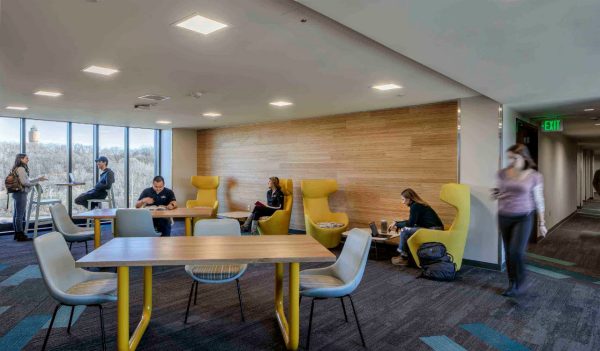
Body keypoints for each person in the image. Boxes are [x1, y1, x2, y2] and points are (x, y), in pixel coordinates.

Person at [493, 143, 547, 297]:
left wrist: (542, 223)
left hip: (524, 217)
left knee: (516, 251)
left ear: (524, 157)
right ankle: (512, 284)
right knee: (509, 252)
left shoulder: (535, 176)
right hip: (504, 216)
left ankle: (521, 278)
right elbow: (500, 190)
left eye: (514, 158)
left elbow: (539, 200)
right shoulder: (502, 173)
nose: (511, 161)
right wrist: (496, 193)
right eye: (510, 158)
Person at [389, 188, 444, 266]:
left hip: (434, 230)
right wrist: (397, 223)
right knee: (407, 229)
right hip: (435, 228)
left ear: (409, 199)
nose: (402, 202)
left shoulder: (415, 206)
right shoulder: (418, 205)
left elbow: (410, 224)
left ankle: (403, 258)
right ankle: (406, 257)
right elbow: (411, 222)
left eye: (403, 199)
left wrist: (397, 224)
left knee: (404, 230)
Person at [10, 153, 47, 241]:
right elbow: (24, 183)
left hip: (17, 193)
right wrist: (35, 184)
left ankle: (17, 234)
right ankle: (20, 236)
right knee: (19, 215)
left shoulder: (16, 168)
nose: (28, 159)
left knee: (16, 215)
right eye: (26, 158)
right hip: (21, 193)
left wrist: (38, 179)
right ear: (21, 159)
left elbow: (26, 181)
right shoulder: (21, 168)